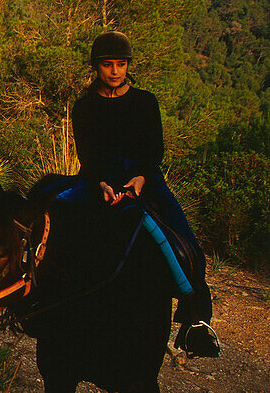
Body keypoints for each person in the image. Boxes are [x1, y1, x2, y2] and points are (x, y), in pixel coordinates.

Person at [68, 30, 219, 357]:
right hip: (98, 178)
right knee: (56, 214)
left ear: (127, 67)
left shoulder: (145, 102)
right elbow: (87, 155)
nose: (115, 71)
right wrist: (102, 184)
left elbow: (154, 150)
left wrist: (139, 179)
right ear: (97, 66)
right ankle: (41, 297)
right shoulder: (83, 107)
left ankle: (196, 321)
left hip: (143, 177)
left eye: (120, 64)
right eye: (108, 64)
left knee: (187, 245)